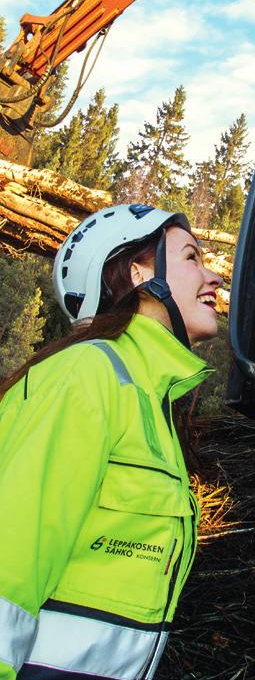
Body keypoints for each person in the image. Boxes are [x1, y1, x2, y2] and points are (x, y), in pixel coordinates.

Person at [0, 203, 223, 680]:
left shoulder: (149, 401)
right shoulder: (86, 376)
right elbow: (9, 557)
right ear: (140, 272)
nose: (213, 277)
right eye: (191, 258)